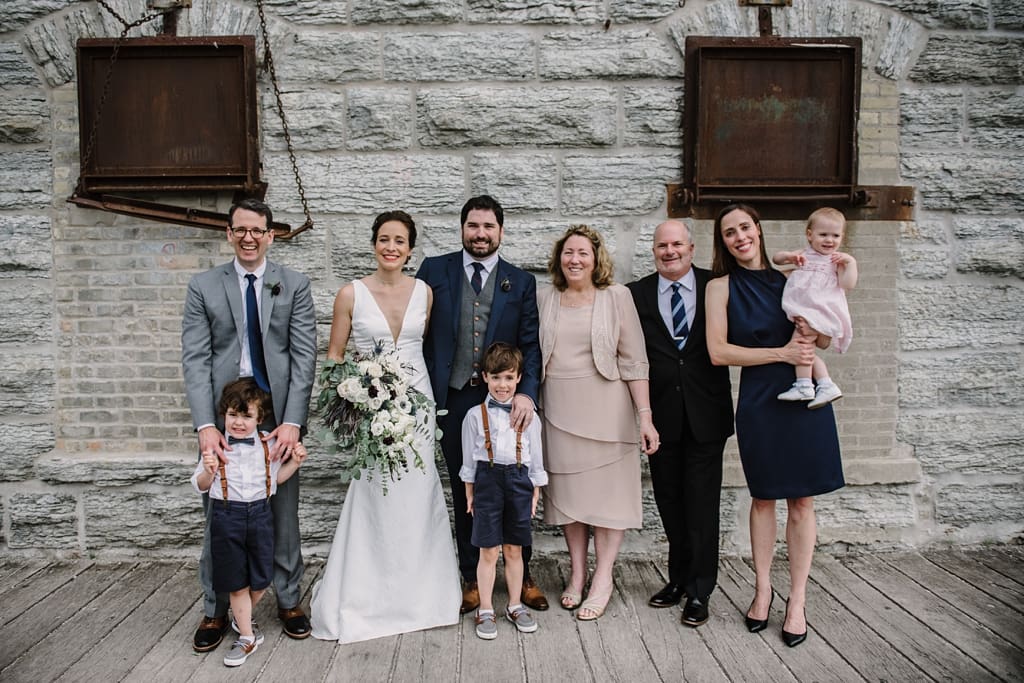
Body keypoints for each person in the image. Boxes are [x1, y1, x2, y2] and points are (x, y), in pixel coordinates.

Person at [311, 210, 461, 644]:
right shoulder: (350, 294)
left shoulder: (425, 293)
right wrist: (355, 395)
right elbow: (335, 358)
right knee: (376, 496)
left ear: (411, 249)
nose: (391, 247)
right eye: (383, 239)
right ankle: (367, 596)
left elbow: (424, 349)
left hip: (418, 409)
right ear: (373, 244)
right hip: (371, 409)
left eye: (399, 240)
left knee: (417, 494)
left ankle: (423, 598)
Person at [705, 203, 845, 648]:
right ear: (723, 241)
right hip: (760, 398)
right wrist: (780, 355)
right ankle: (763, 589)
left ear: (758, 230)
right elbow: (718, 353)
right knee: (763, 497)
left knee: (802, 501)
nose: (739, 236)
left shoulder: (793, 278)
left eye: (745, 226)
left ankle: (798, 599)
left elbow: (824, 336)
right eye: (730, 232)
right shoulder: (719, 287)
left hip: (805, 398)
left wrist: (814, 331)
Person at [182, 197, 317, 651]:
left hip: (277, 415)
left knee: (281, 513)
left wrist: (294, 422)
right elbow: (196, 359)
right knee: (219, 516)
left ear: (270, 234)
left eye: (257, 230)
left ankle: (289, 600)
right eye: (239, 229)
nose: (248, 237)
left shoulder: (293, 284)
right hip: (225, 417)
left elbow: (303, 358)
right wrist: (206, 425)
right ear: (228, 233)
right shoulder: (204, 286)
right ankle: (216, 609)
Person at [416, 195, 549, 614]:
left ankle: (520, 573)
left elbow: (531, 344)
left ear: (501, 231)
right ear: (461, 228)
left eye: (488, 227)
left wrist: (526, 392)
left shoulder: (520, 281)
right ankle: (472, 577)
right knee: (467, 487)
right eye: (473, 226)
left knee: (516, 486)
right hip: (454, 400)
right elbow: (416, 331)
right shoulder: (434, 271)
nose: (480, 233)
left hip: (507, 400)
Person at [538, 224, 659, 621]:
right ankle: (577, 574)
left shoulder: (616, 297)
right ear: (559, 258)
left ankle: (604, 577)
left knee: (607, 499)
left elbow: (634, 360)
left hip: (608, 408)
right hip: (558, 408)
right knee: (571, 499)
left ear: (596, 259)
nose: (575, 260)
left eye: (583, 253)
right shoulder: (545, 298)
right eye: (568, 252)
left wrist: (645, 417)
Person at [626, 219, 734, 627]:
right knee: (670, 502)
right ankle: (678, 579)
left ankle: (700, 590)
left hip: (707, 414)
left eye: (676, 245)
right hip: (660, 417)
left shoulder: (717, 285)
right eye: (661, 246)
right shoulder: (635, 294)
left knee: (701, 505)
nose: (669, 252)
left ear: (691, 248)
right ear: (653, 251)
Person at [190, 378, 308, 667]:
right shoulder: (217, 449)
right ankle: (246, 636)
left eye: (246, 416)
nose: (239, 423)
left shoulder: (266, 447)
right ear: (223, 415)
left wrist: (295, 463)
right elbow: (201, 485)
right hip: (226, 516)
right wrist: (208, 470)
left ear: (260, 418)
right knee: (235, 582)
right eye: (232, 415)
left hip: (260, 515)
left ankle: (240, 618)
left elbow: (275, 481)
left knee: (262, 576)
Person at [460, 342, 548, 640]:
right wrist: (470, 492)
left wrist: (535, 491)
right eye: (496, 377)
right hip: (487, 482)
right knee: (488, 550)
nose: (502, 385)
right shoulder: (474, 416)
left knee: (514, 549)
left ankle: (514, 604)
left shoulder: (529, 417)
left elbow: (536, 457)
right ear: (485, 377)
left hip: (519, 483)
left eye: (509, 378)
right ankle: (485, 608)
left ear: (519, 378)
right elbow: (469, 461)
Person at [772, 207, 858, 409]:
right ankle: (826, 384)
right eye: (823, 234)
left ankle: (804, 385)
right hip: (805, 311)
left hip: (821, 312)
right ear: (810, 235)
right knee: (806, 349)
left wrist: (851, 263)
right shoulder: (804, 254)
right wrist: (790, 257)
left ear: (842, 236)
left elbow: (848, 284)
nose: (829, 240)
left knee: (800, 346)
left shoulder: (836, 261)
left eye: (835, 235)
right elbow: (776, 259)